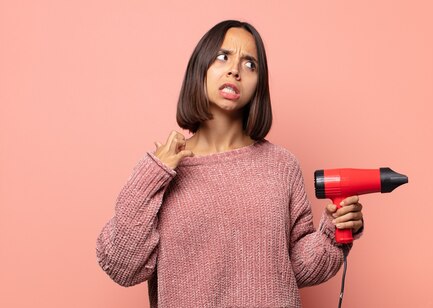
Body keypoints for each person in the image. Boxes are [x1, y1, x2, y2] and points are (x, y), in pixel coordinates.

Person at [95, 20, 364, 307]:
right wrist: (152, 175)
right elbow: (122, 266)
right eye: (223, 57)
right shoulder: (162, 170)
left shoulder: (281, 166)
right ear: (201, 69)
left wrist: (334, 231)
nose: (235, 70)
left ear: (258, 85)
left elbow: (294, 267)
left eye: (250, 65)